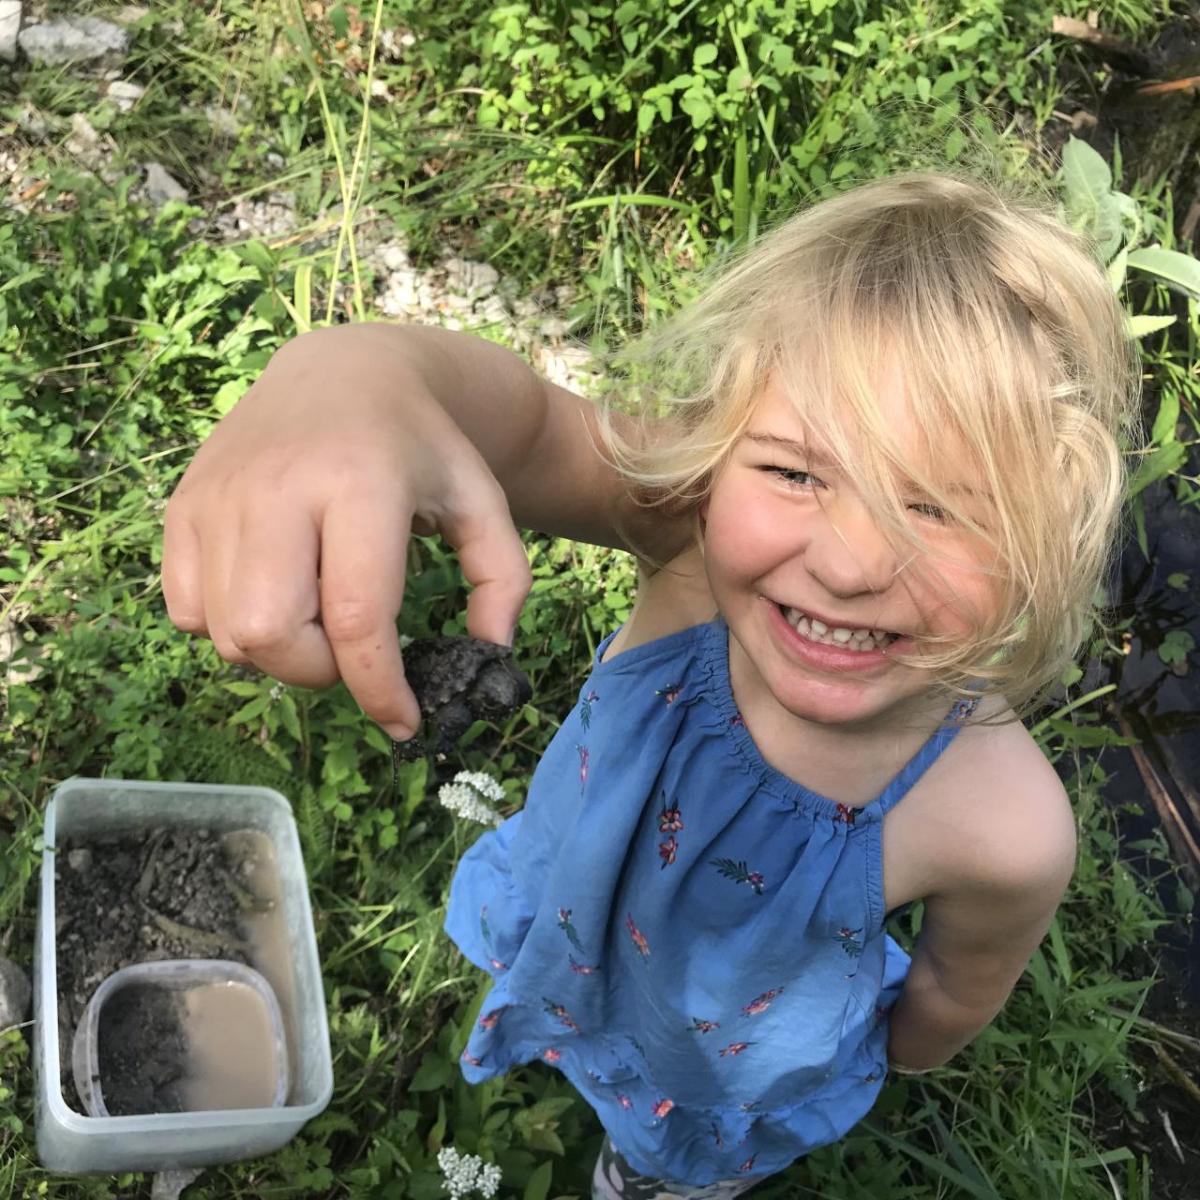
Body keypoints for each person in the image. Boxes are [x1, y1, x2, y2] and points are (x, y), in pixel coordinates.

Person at [163, 171, 1140, 1196]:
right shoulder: (686, 558)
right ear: (711, 467)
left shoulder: (1003, 825)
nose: (851, 565)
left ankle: (649, 1169)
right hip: (572, 909)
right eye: (796, 472)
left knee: (666, 1160)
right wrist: (352, 374)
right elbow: (534, 431)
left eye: (944, 506)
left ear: (1047, 536)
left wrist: (895, 1058)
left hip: (710, 1069)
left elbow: (950, 989)